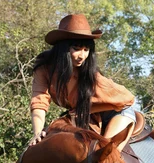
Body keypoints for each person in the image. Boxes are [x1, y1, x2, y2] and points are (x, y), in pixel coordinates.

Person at [28, 14, 137, 150]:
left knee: (104, 155)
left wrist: (86, 109)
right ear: (63, 48)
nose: (82, 56)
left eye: (86, 50)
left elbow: (128, 99)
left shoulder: (91, 76)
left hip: (118, 113)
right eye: (77, 48)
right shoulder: (44, 69)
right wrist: (38, 133)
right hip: (83, 117)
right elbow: (39, 103)